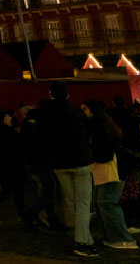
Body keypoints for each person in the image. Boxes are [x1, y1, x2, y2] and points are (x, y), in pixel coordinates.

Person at [38, 83, 96, 257]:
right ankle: (82, 239)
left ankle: (80, 234)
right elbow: (87, 133)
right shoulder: (75, 112)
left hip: (59, 164)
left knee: (70, 201)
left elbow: (42, 138)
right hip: (80, 161)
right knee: (83, 203)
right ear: (68, 95)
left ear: (51, 94)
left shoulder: (45, 114)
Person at [85, 100, 137, 250]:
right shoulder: (105, 125)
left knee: (107, 204)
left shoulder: (98, 128)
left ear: (93, 111)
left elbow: (104, 153)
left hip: (109, 170)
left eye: (85, 108)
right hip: (109, 169)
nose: (82, 112)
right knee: (103, 204)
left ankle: (122, 238)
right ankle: (114, 237)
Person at [0, 112, 30, 227]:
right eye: (6, 116)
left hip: (8, 167)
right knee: (12, 189)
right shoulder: (5, 132)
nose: (9, 118)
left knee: (11, 189)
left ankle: (19, 215)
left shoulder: (0, 132)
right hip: (9, 167)